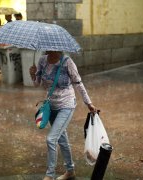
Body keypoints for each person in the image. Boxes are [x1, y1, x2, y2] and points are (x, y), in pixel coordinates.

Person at [29, 51, 97, 180]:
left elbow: (78, 83)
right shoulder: (42, 60)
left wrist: (89, 103)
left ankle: (49, 175)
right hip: (51, 107)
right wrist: (33, 75)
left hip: (66, 105)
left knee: (51, 139)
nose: (47, 46)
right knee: (62, 139)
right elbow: (37, 84)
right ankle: (70, 171)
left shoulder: (67, 62)